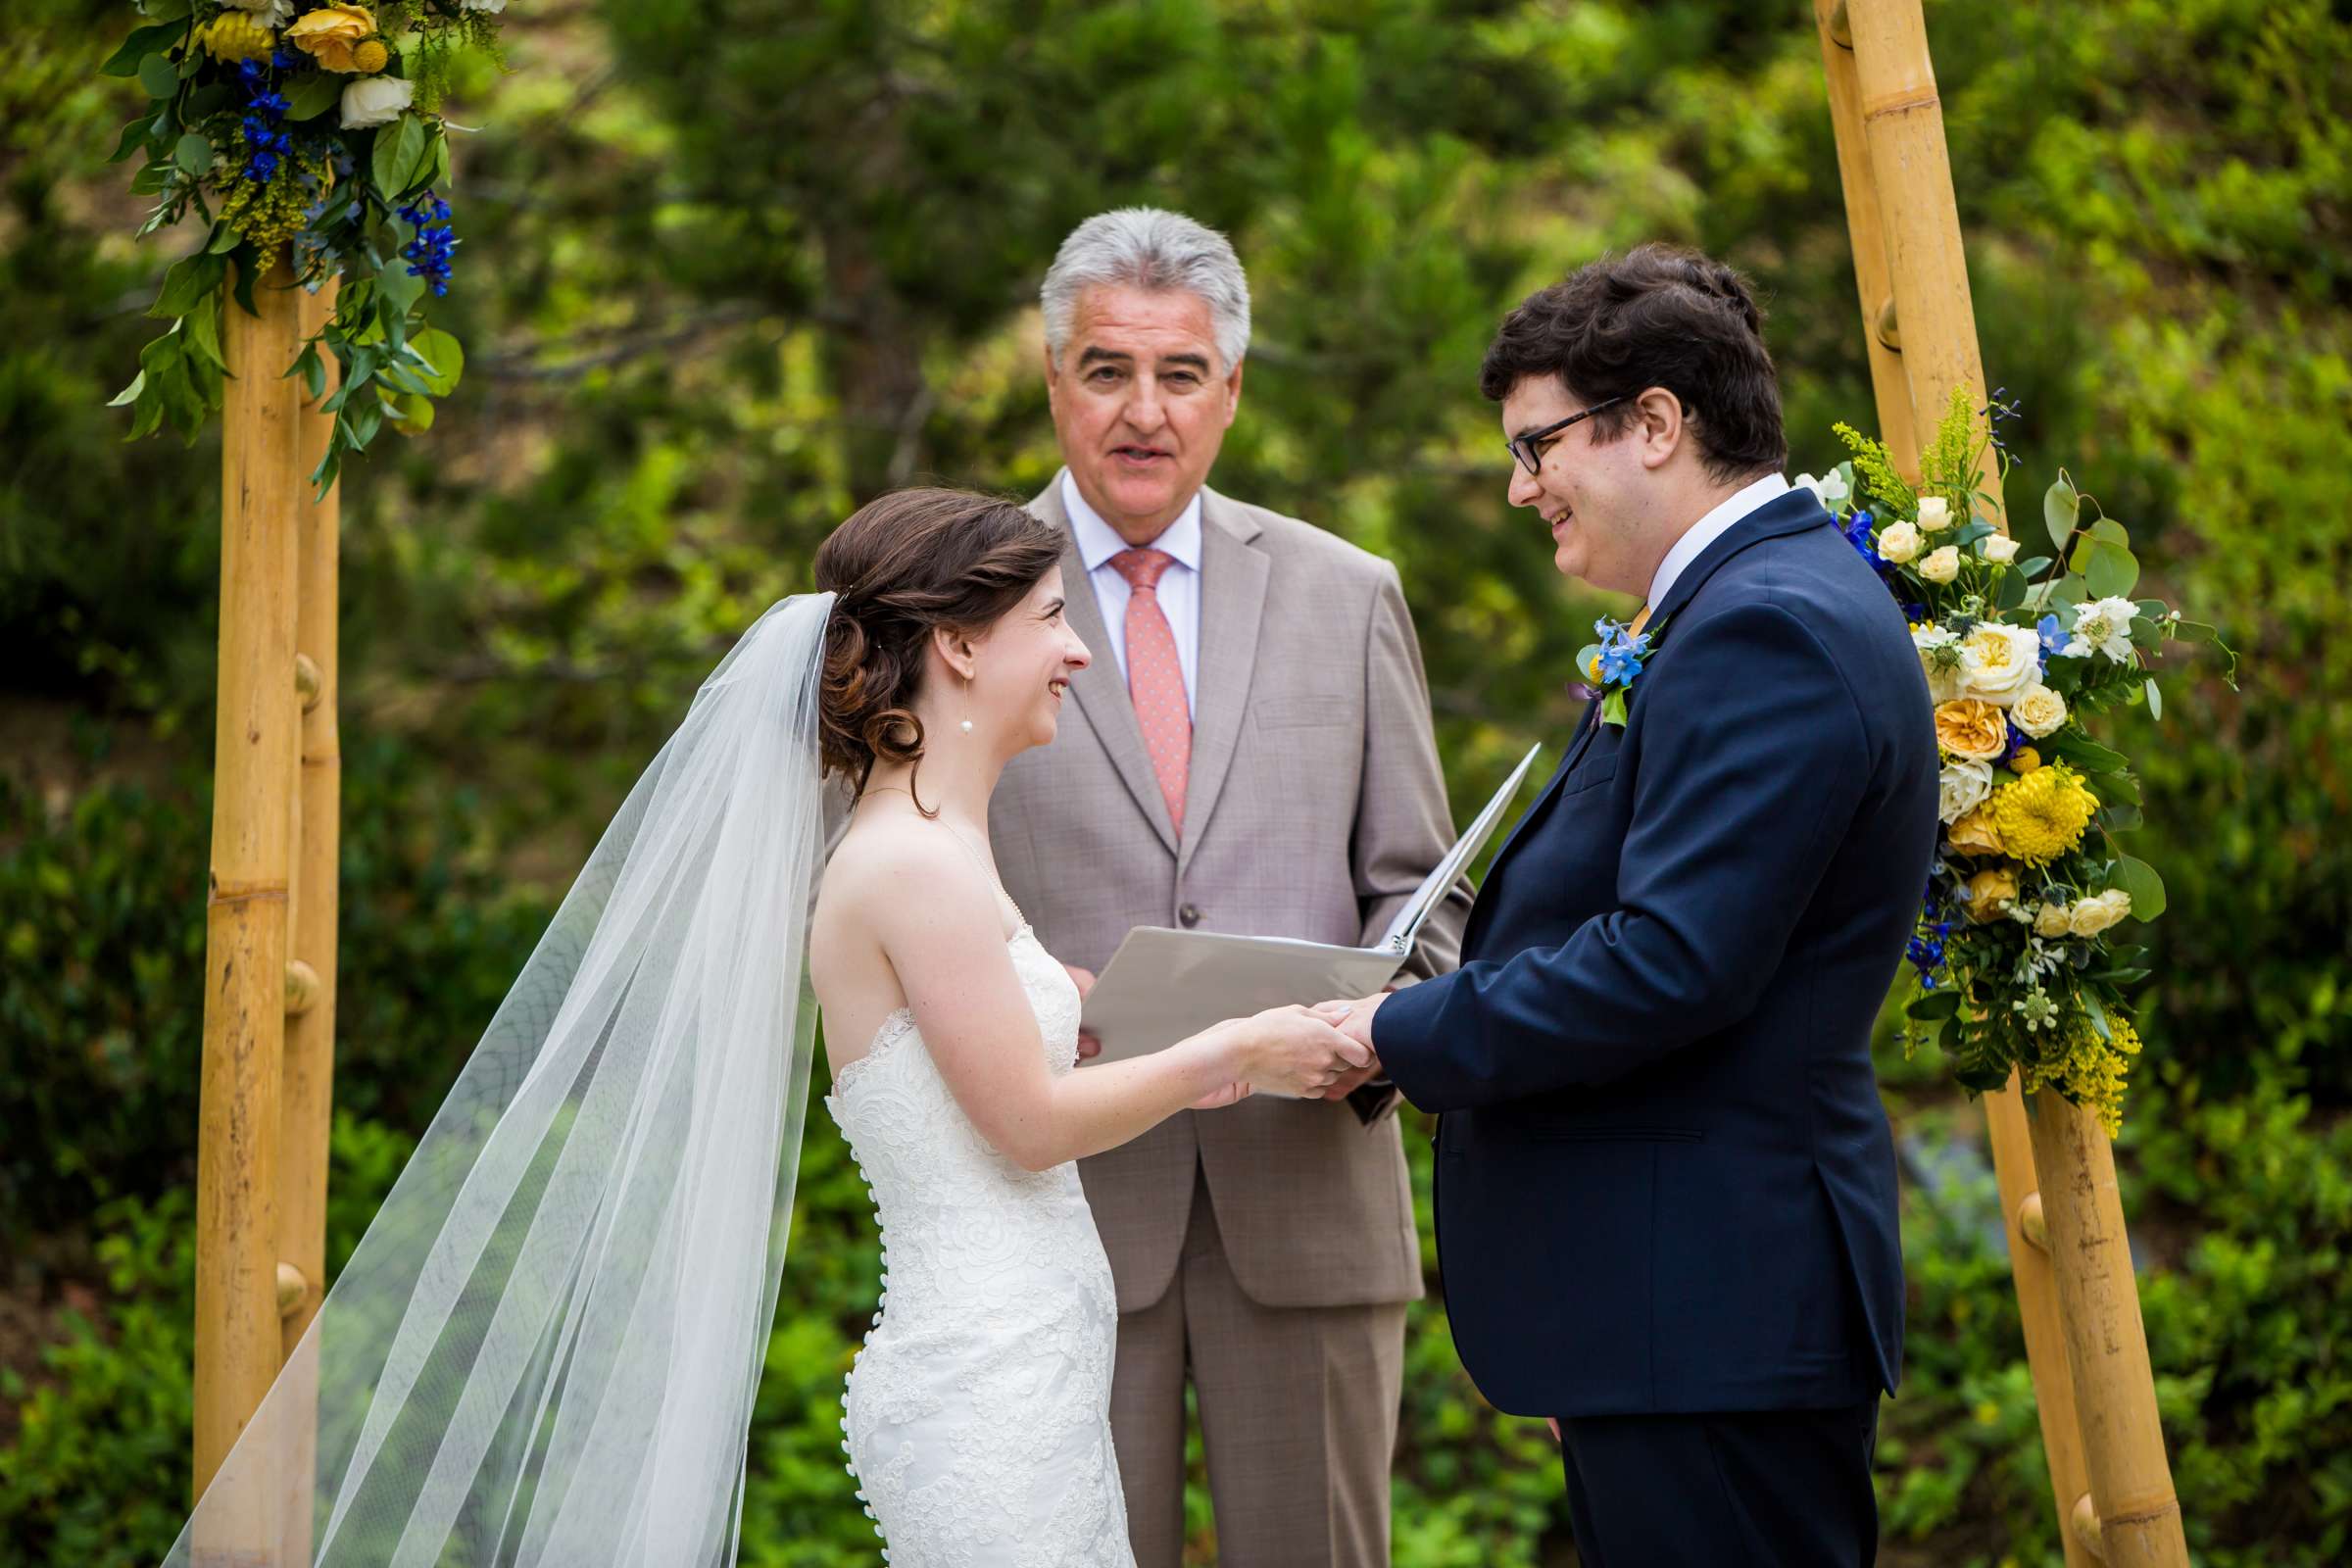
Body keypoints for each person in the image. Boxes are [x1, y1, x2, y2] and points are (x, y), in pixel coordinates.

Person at [154, 487, 1367, 1568]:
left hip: (1026, 1373)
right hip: (988, 1388)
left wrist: (1087, 1008)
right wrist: (1235, 1050)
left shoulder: (938, 844)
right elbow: (1029, 1128)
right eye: (1052, 617)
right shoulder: (913, 865)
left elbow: (988, 1070)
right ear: (956, 642)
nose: (1076, 653)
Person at [1328, 245, 1939, 1565]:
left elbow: (1672, 960)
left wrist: (1391, 1035)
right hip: (1672, 1314)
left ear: (1655, 423)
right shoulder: (1745, 605)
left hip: (1706, 1310)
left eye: (1538, 446)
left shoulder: (1762, 626)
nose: (1519, 487)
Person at [994, 208, 1470, 1568]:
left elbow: (1420, 894)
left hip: (1309, 1197)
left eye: (1181, 373)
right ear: (1052, 377)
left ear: (1234, 390)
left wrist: (1365, 1036)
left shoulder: (1350, 591)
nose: (1144, 411)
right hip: (1059, 1215)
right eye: (1107, 370)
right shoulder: (957, 603)